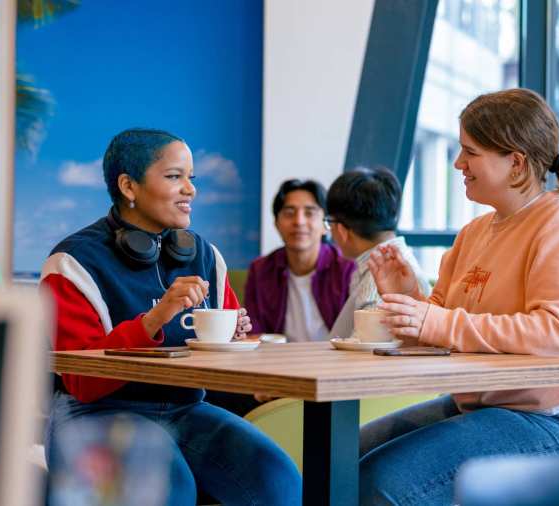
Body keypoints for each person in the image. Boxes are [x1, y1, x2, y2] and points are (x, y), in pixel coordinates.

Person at [358, 88, 559, 505]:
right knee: (341, 461)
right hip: (484, 409)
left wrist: (435, 321)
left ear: (515, 162)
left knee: (377, 481)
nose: (457, 164)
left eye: (470, 152)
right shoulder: (474, 233)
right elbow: (444, 328)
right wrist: (410, 298)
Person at [40, 128, 301, 506]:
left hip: (184, 408)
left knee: (277, 480)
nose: (191, 190)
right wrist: (154, 319)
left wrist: (234, 336)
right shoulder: (71, 263)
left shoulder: (204, 255)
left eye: (190, 178)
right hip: (94, 414)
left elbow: (223, 345)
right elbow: (82, 381)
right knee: (168, 489)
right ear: (129, 186)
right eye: (175, 176)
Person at [325, 167, 429, 340]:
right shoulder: (402, 261)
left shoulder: (381, 277)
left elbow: (365, 351)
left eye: (329, 223)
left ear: (341, 230)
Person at [244, 179, 355, 341]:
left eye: (309, 213)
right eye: (289, 213)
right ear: (276, 223)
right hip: (278, 362)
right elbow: (253, 334)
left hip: (336, 362)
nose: (299, 221)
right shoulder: (260, 270)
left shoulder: (347, 269)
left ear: (326, 224)